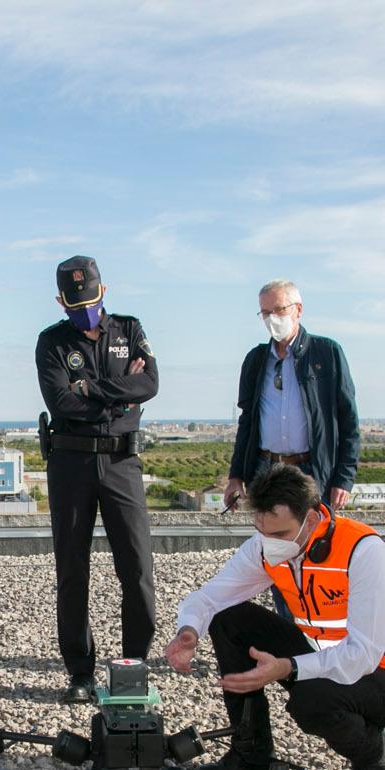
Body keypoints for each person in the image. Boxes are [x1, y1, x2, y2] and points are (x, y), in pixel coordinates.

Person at [164, 464, 385, 770]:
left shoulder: (364, 552)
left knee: (311, 700)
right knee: (228, 618)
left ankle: (374, 756)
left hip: (375, 669)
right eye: (261, 532)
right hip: (325, 655)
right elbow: (209, 598)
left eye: (279, 533)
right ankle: (250, 755)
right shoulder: (267, 546)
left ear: (310, 518)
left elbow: (362, 655)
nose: (269, 543)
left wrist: (287, 668)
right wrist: (188, 631)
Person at [35, 255, 159, 704]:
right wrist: (118, 398)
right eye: (74, 303)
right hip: (70, 465)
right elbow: (62, 403)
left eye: (88, 299)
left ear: (102, 292)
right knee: (72, 571)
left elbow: (150, 386)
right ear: (60, 301)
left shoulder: (129, 329)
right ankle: (80, 672)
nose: (83, 309)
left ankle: (134, 666)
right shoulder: (50, 342)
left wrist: (91, 388)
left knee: (138, 568)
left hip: (123, 465)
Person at [224, 279, 359, 620]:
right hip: (267, 470)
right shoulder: (256, 361)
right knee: (276, 551)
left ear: (297, 309)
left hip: (312, 471)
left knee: (316, 552)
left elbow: (348, 420)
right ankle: (289, 631)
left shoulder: (326, 353)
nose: (273, 318)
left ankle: (322, 629)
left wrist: (344, 476)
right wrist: (236, 476)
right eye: (265, 312)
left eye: (279, 310)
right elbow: (247, 421)